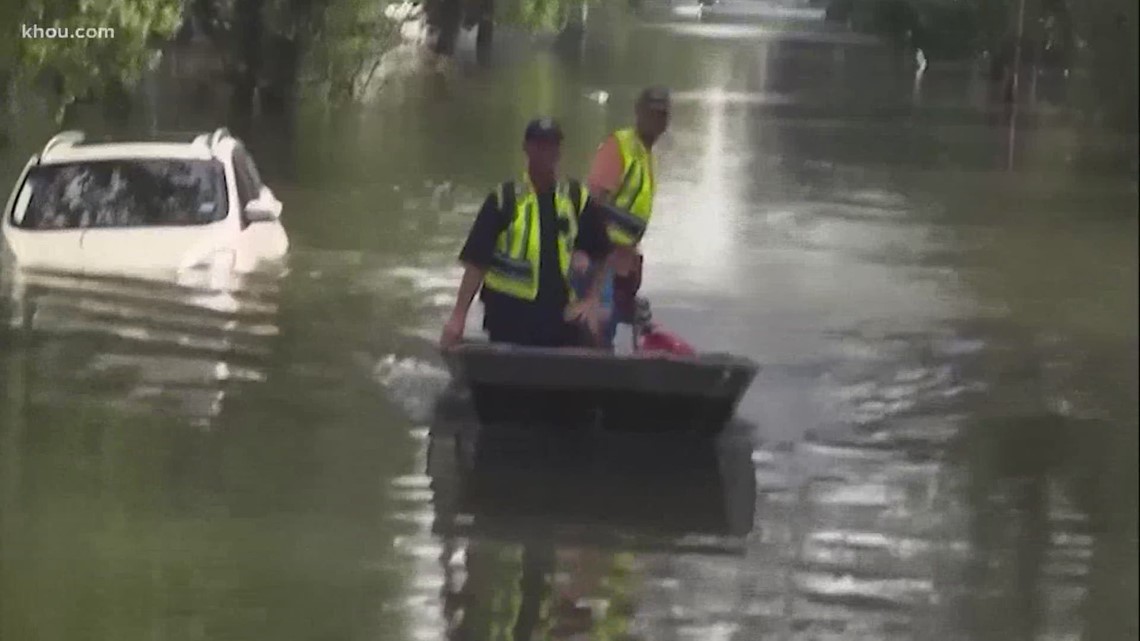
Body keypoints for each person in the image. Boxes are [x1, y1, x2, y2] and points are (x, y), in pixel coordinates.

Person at [440, 117, 614, 349]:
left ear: (559, 150)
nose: (546, 152)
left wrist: (592, 299)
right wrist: (458, 317)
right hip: (508, 320)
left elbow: (603, 251)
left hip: (558, 319)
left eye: (552, 145)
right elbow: (476, 263)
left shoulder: (574, 197)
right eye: (539, 145)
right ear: (527, 148)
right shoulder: (504, 199)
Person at [585, 86, 671, 348]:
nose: (656, 120)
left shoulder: (646, 156)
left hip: (621, 264)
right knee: (596, 333)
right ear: (638, 112)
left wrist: (631, 264)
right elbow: (592, 205)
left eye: (662, 115)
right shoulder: (620, 146)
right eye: (651, 113)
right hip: (600, 262)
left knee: (608, 331)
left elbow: (631, 221)